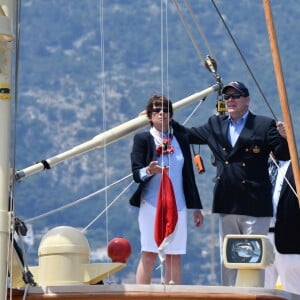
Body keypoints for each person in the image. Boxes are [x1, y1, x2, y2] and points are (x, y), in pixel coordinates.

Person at [172, 81, 290, 286]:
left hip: (255, 204)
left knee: (253, 258)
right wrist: (165, 122)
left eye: (236, 96)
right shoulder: (215, 124)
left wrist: (285, 137)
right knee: (229, 259)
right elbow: (187, 135)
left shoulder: (263, 124)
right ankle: (230, 295)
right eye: (227, 97)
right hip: (227, 202)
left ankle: (252, 295)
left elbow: (283, 155)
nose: (231, 100)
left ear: (247, 100)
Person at [129, 94, 204, 284]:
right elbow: (136, 174)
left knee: (174, 255)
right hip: (152, 204)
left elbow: (188, 176)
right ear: (149, 116)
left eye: (166, 110)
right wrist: (149, 170)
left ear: (171, 115)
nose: (161, 113)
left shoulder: (181, 138)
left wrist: (196, 207)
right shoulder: (143, 139)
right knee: (149, 253)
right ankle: (142, 297)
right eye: (156, 110)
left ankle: (174, 295)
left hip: (178, 204)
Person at [264, 157, 300, 295]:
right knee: (260, 292)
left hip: (289, 241)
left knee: (294, 293)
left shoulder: (297, 166)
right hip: (260, 239)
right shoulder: (258, 164)